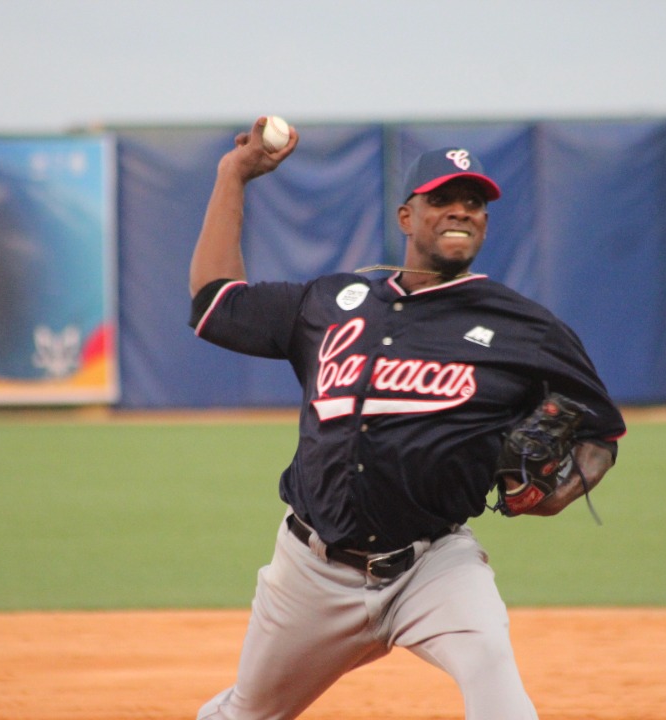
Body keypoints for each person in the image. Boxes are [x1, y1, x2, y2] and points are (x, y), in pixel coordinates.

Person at [188, 117, 626, 719]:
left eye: (473, 202)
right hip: (311, 572)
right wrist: (231, 176)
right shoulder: (330, 303)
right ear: (406, 218)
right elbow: (215, 302)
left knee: (499, 690)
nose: (460, 210)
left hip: (434, 566)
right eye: (441, 198)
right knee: (247, 713)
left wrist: (561, 492)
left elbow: (600, 431)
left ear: (486, 222)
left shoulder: (528, 328)